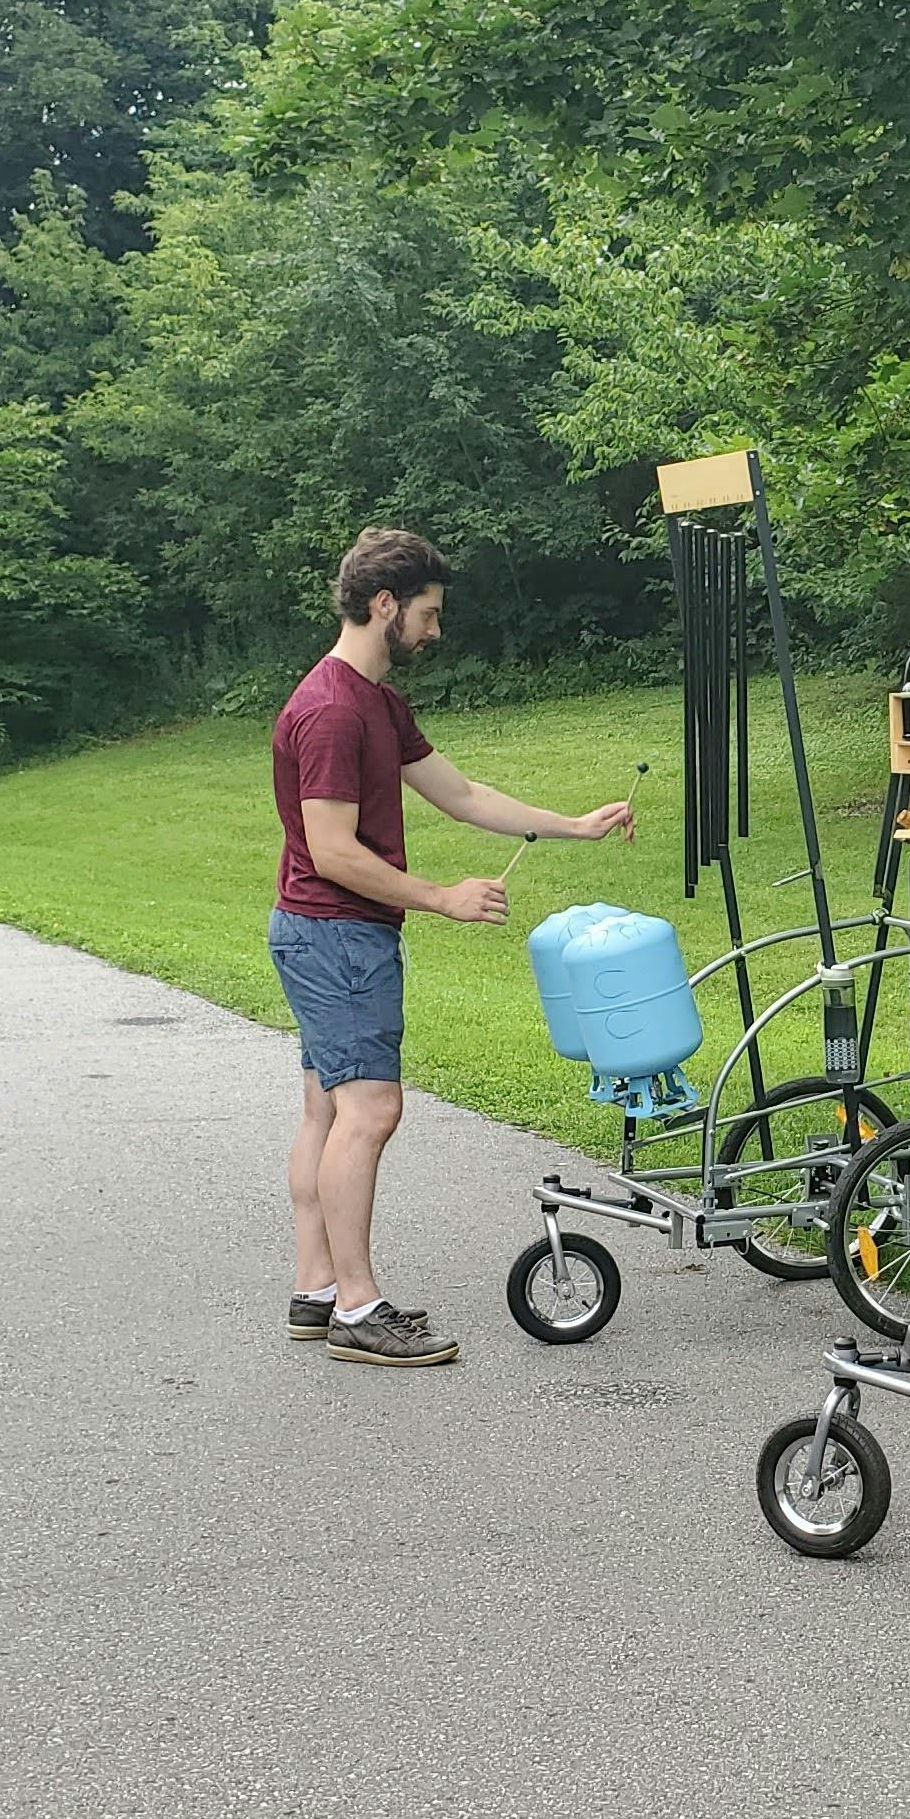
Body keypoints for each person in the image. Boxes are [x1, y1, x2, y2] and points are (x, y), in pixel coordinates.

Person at [270, 526, 636, 1367]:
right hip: (335, 937)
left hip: (323, 934)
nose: (436, 631)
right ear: (385, 604)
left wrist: (574, 825)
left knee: (327, 1109)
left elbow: (462, 795)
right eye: (428, 614)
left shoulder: (378, 703)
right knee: (370, 1111)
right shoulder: (329, 710)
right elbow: (333, 851)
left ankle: (315, 1288)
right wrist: (442, 898)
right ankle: (358, 1310)